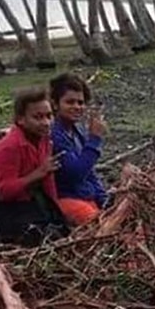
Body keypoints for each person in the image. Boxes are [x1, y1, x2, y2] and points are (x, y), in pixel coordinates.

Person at [0, 88, 68, 246]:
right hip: (1, 204)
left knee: (61, 229)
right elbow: (5, 191)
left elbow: (48, 181)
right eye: (38, 117)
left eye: (49, 116)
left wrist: (57, 210)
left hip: (29, 195)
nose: (46, 122)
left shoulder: (44, 139)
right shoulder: (9, 147)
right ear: (21, 119)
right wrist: (39, 173)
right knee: (35, 237)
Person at [49, 73, 108, 226]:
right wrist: (94, 139)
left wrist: (104, 199)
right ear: (55, 104)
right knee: (103, 228)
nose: (77, 107)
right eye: (70, 102)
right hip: (66, 198)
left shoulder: (77, 130)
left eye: (80, 103)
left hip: (85, 196)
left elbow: (90, 173)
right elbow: (75, 173)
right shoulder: (54, 134)